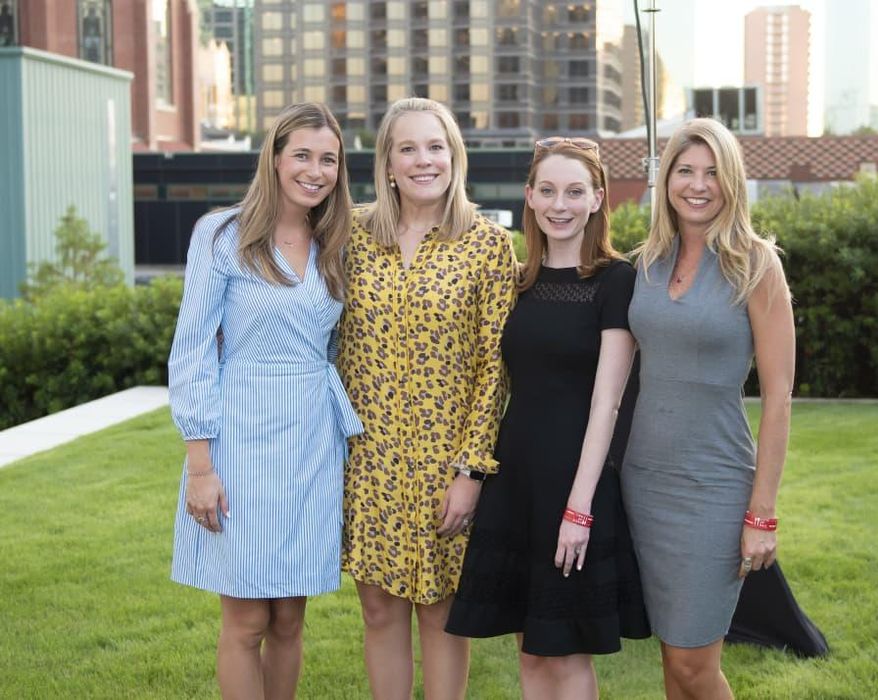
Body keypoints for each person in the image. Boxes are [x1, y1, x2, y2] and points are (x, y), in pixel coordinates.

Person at [445, 137, 651, 699]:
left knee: (566, 655)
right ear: (529, 198)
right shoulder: (517, 282)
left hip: (577, 484)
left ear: (597, 198)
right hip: (516, 481)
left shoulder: (615, 280)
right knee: (531, 652)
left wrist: (580, 508)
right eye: (549, 190)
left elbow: (607, 402)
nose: (561, 204)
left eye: (575, 191)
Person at [169, 102, 362, 699]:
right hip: (239, 436)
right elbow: (193, 350)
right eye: (302, 155)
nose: (316, 170)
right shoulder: (222, 234)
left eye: (328, 159)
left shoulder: (339, 241)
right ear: (274, 159)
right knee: (247, 619)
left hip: (311, 438)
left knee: (289, 618)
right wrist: (200, 466)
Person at [337, 97, 517, 699]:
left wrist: (471, 470)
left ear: (454, 157)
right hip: (370, 458)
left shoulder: (488, 246)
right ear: (387, 162)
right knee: (380, 611)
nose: (423, 160)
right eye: (407, 148)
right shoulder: (350, 238)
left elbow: (495, 370)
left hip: (448, 464)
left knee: (442, 614)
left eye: (435, 146)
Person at [621, 117, 796, 698]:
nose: (698, 185)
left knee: (696, 663)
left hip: (715, 487)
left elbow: (778, 400)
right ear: (666, 178)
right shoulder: (642, 264)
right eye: (685, 170)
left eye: (713, 173)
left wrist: (761, 513)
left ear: (732, 183)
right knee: (674, 659)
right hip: (643, 484)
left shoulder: (756, 264)